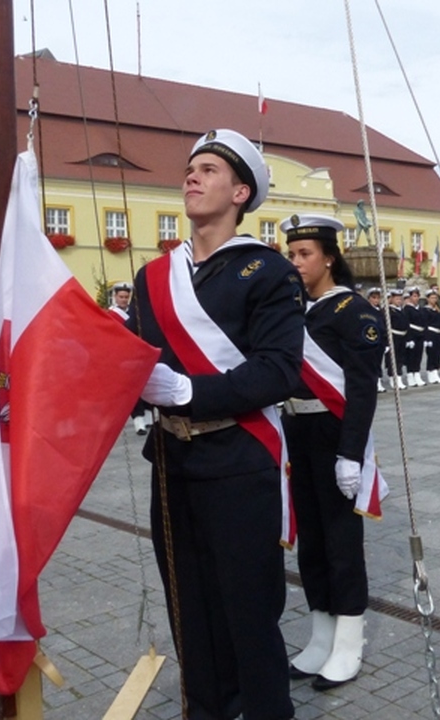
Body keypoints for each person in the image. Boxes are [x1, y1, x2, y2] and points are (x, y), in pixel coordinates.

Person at [129, 128, 303, 720]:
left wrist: (188, 391)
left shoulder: (268, 272)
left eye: (208, 169)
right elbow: (129, 359)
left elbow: (279, 370)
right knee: (188, 611)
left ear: (240, 192)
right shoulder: (154, 277)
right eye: (190, 168)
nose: (192, 177)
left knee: (248, 614)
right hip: (171, 463)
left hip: (238, 461)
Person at [282, 213, 386, 690]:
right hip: (297, 431)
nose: (296, 262)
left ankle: (348, 642)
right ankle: (320, 635)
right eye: (291, 254)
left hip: (334, 433)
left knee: (341, 542)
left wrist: (351, 453)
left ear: (328, 258)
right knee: (311, 542)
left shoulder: (353, 311)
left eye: (305, 254)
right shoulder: (297, 311)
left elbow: (362, 390)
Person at [109, 282, 151, 434]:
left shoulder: (135, 313)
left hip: (139, 355)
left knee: (146, 384)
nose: (124, 300)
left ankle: (148, 417)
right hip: (122, 357)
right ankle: (138, 421)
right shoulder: (110, 315)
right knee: (132, 389)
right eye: (121, 297)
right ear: (115, 297)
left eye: (126, 297)